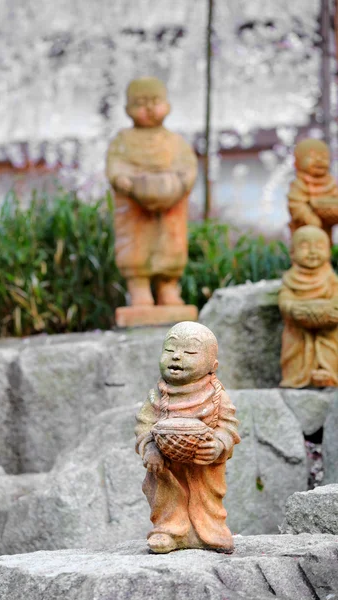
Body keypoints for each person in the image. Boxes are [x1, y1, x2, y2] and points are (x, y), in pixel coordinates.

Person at [135, 321, 240, 554]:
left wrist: (218, 444)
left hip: (203, 464)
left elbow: (229, 426)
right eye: (170, 350)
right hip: (167, 465)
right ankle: (168, 530)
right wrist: (151, 449)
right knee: (165, 491)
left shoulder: (216, 395)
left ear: (213, 366)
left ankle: (210, 531)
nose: (177, 357)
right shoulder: (157, 395)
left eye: (190, 352)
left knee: (206, 499)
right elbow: (144, 425)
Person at [106, 77, 198, 306]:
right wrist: (122, 179)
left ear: (167, 105)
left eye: (155, 101)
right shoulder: (122, 141)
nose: (149, 108)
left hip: (171, 206)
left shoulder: (176, 141)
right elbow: (115, 165)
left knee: (171, 245)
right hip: (136, 209)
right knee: (136, 246)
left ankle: (168, 289)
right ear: (128, 110)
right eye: (140, 103)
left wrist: (184, 180)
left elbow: (188, 165)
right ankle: (139, 290)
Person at [279, 225, 338, 388]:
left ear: (328, 251)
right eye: (304, 246)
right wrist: (292, 309)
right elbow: (285, 299)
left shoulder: (330, 278)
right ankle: (296, 376)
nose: (312, 251)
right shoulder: (290, 278)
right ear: (292, 253)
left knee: (331, 344)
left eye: (319, 246)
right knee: (295, 348)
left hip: (329, 326)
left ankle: (328, 373)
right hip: (297, 327)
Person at [288, 138, 338, 243]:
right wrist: (309, 218)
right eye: (312, 156)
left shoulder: (330, 183)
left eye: (324, 157)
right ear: (297, 163)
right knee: (308, 244)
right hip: (305, 229)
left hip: (326, 226)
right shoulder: (299, 184)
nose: (319, 160)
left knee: (325, 246)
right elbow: (295, 204)